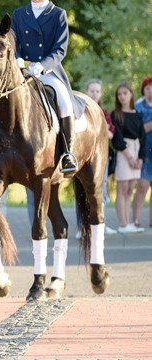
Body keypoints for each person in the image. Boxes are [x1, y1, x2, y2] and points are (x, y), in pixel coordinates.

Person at [0, 0, 79, 179]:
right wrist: (18, 59)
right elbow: (13, 43)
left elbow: (60, 49)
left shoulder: (58, 14)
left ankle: (68, 152)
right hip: (20, 71)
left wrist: (42, 65)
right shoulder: (19, 14)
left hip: (49, 71)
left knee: (64, 100)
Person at [73, 79, 117, 239]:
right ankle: (81, 226)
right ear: (86, 91)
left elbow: (111, 133)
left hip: (100, 154)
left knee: (102, 188)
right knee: (81, 188)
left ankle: (100, 223)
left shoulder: (104, 112)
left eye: (97, 91)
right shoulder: (79, 108)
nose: (94, 94)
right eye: (91, 91)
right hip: (82, 155)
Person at [112, 82, 146, 233]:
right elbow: (117, 138)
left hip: (136, 149)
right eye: (119, 94)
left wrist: (140, 158)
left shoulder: (137, 115)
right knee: (123, 187)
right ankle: (123, 224)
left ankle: (128, 223)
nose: (122, 96)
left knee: (131, 188)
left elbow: (143, 137)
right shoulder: (116, 115)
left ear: (131, 94)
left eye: (125, 93)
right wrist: (130, 157)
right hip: (123, 152)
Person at [132, 77, 152, 229]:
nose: (150, 91)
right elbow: (138, 131)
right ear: (143, 90)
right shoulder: (138, 106)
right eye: (147, 88)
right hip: (144, 151)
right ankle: (136, 220)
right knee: (142, 186)